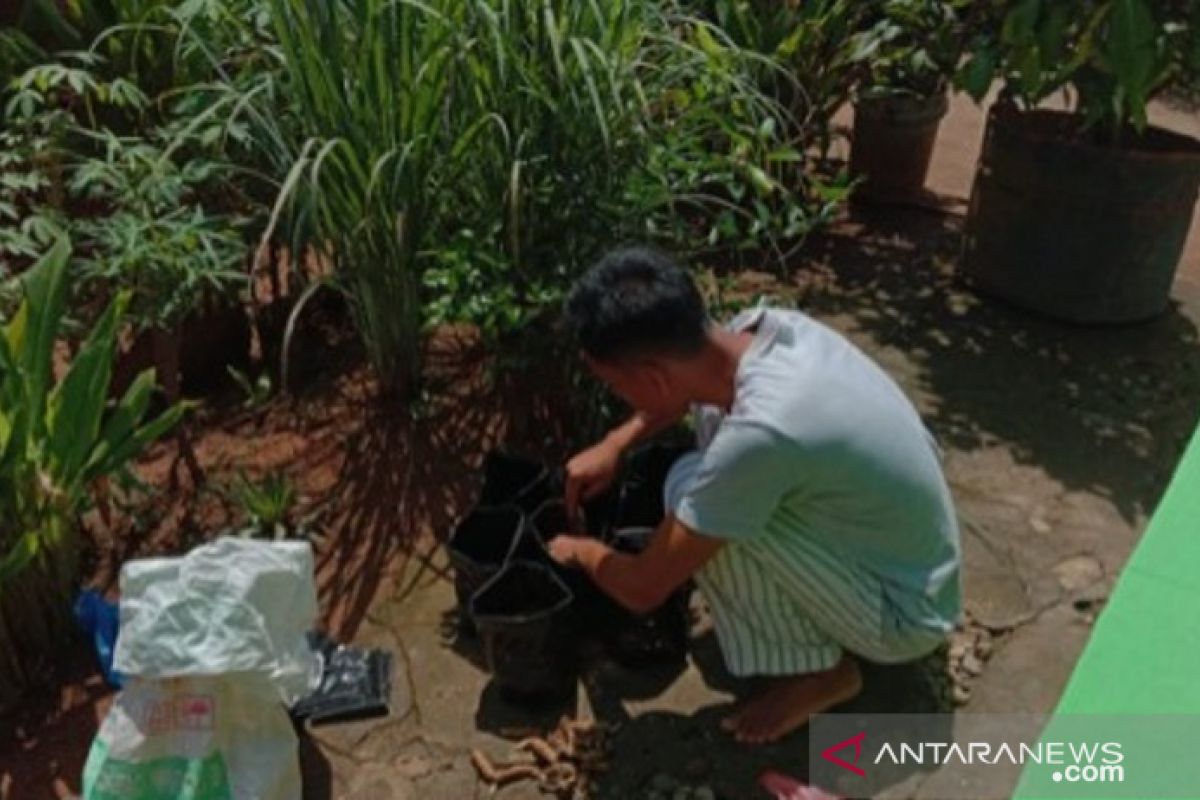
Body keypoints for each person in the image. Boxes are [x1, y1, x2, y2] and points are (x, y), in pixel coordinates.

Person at [547, 245, 961, 744]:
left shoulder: (765, 432)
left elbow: (643, 587)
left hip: (906, 616)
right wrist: (616, 442)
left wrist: (581, 551)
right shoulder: (763, 329)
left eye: (617, 385)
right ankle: (813, 645)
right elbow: (682, 389)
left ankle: (821, 672)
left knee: (696, 496)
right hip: (916, 561)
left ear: (653, 376)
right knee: (700, 480)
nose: (620, 397)